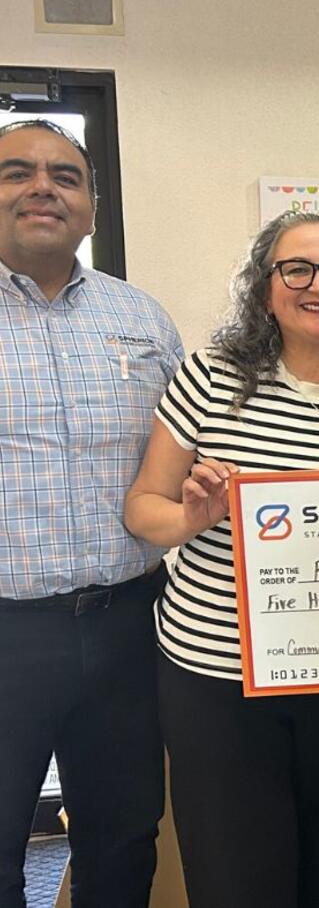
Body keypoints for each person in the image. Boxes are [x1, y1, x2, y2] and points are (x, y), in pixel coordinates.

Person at [123, 211, 319, 908]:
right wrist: (193, 516)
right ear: (265, 290)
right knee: (238, 879)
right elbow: (142, 506)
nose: (318, 284)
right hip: (217, 678)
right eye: (296, 269)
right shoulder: (210, 377)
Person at [0, 119, 183, 908]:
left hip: (127, 625)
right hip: (6, 631)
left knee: (123, 832)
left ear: (92, 209)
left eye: (65, 176)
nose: (43, 187)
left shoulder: (142, 320)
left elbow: (191, 455)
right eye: (18, 172)